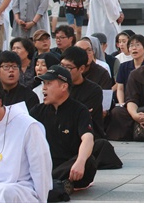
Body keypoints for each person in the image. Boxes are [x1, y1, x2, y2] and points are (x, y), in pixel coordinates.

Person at [0, 75, 52, 203]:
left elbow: (40, 169)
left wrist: (41, 199)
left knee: (5, 192)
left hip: (20, 189)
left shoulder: (27, 126)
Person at [30, 65, 98, 193]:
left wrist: (80, 161)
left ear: (63, 86)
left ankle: (51, 182)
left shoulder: (79, 110)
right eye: (43, 83)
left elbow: (88, 138)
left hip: (71, 166)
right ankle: (56, 183)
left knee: (89, 160)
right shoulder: (37, 111)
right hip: (46, 164)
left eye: (49, 83)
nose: (43, 88)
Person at [61, 47, 105, 139]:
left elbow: (83, 117)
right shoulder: (58, 86)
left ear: (81, 69)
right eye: (61, 66)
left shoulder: (93, 90)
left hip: (87, 135)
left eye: (68, 68)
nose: (63, 71)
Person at [115, 34, 144, 105]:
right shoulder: (123, 66)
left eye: (137, 45)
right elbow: (120, 88)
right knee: (116, 112)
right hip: (128, 102)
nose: (134, 48)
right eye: (131, 45)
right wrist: (121, 103)